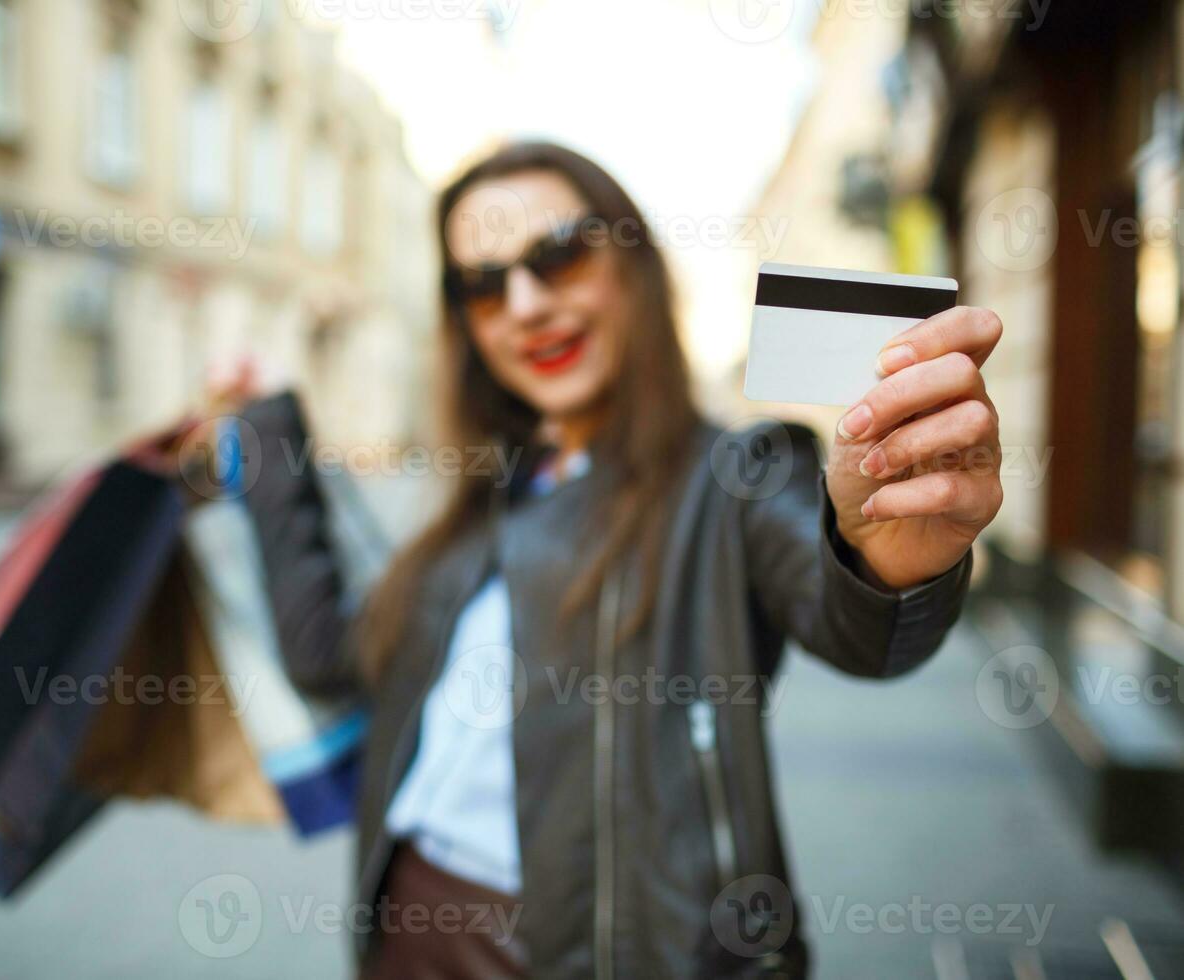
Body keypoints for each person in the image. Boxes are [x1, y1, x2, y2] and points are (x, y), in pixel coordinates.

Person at [237, 142, 1003, 978]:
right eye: (482, 284)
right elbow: (329, 659)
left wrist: (888, 561)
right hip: (403, 938)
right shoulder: (476, 502)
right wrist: (264, 432)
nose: (525, 304)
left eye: (557, 254)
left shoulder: (737, 478)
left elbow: (862, 630)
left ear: (631, 263)